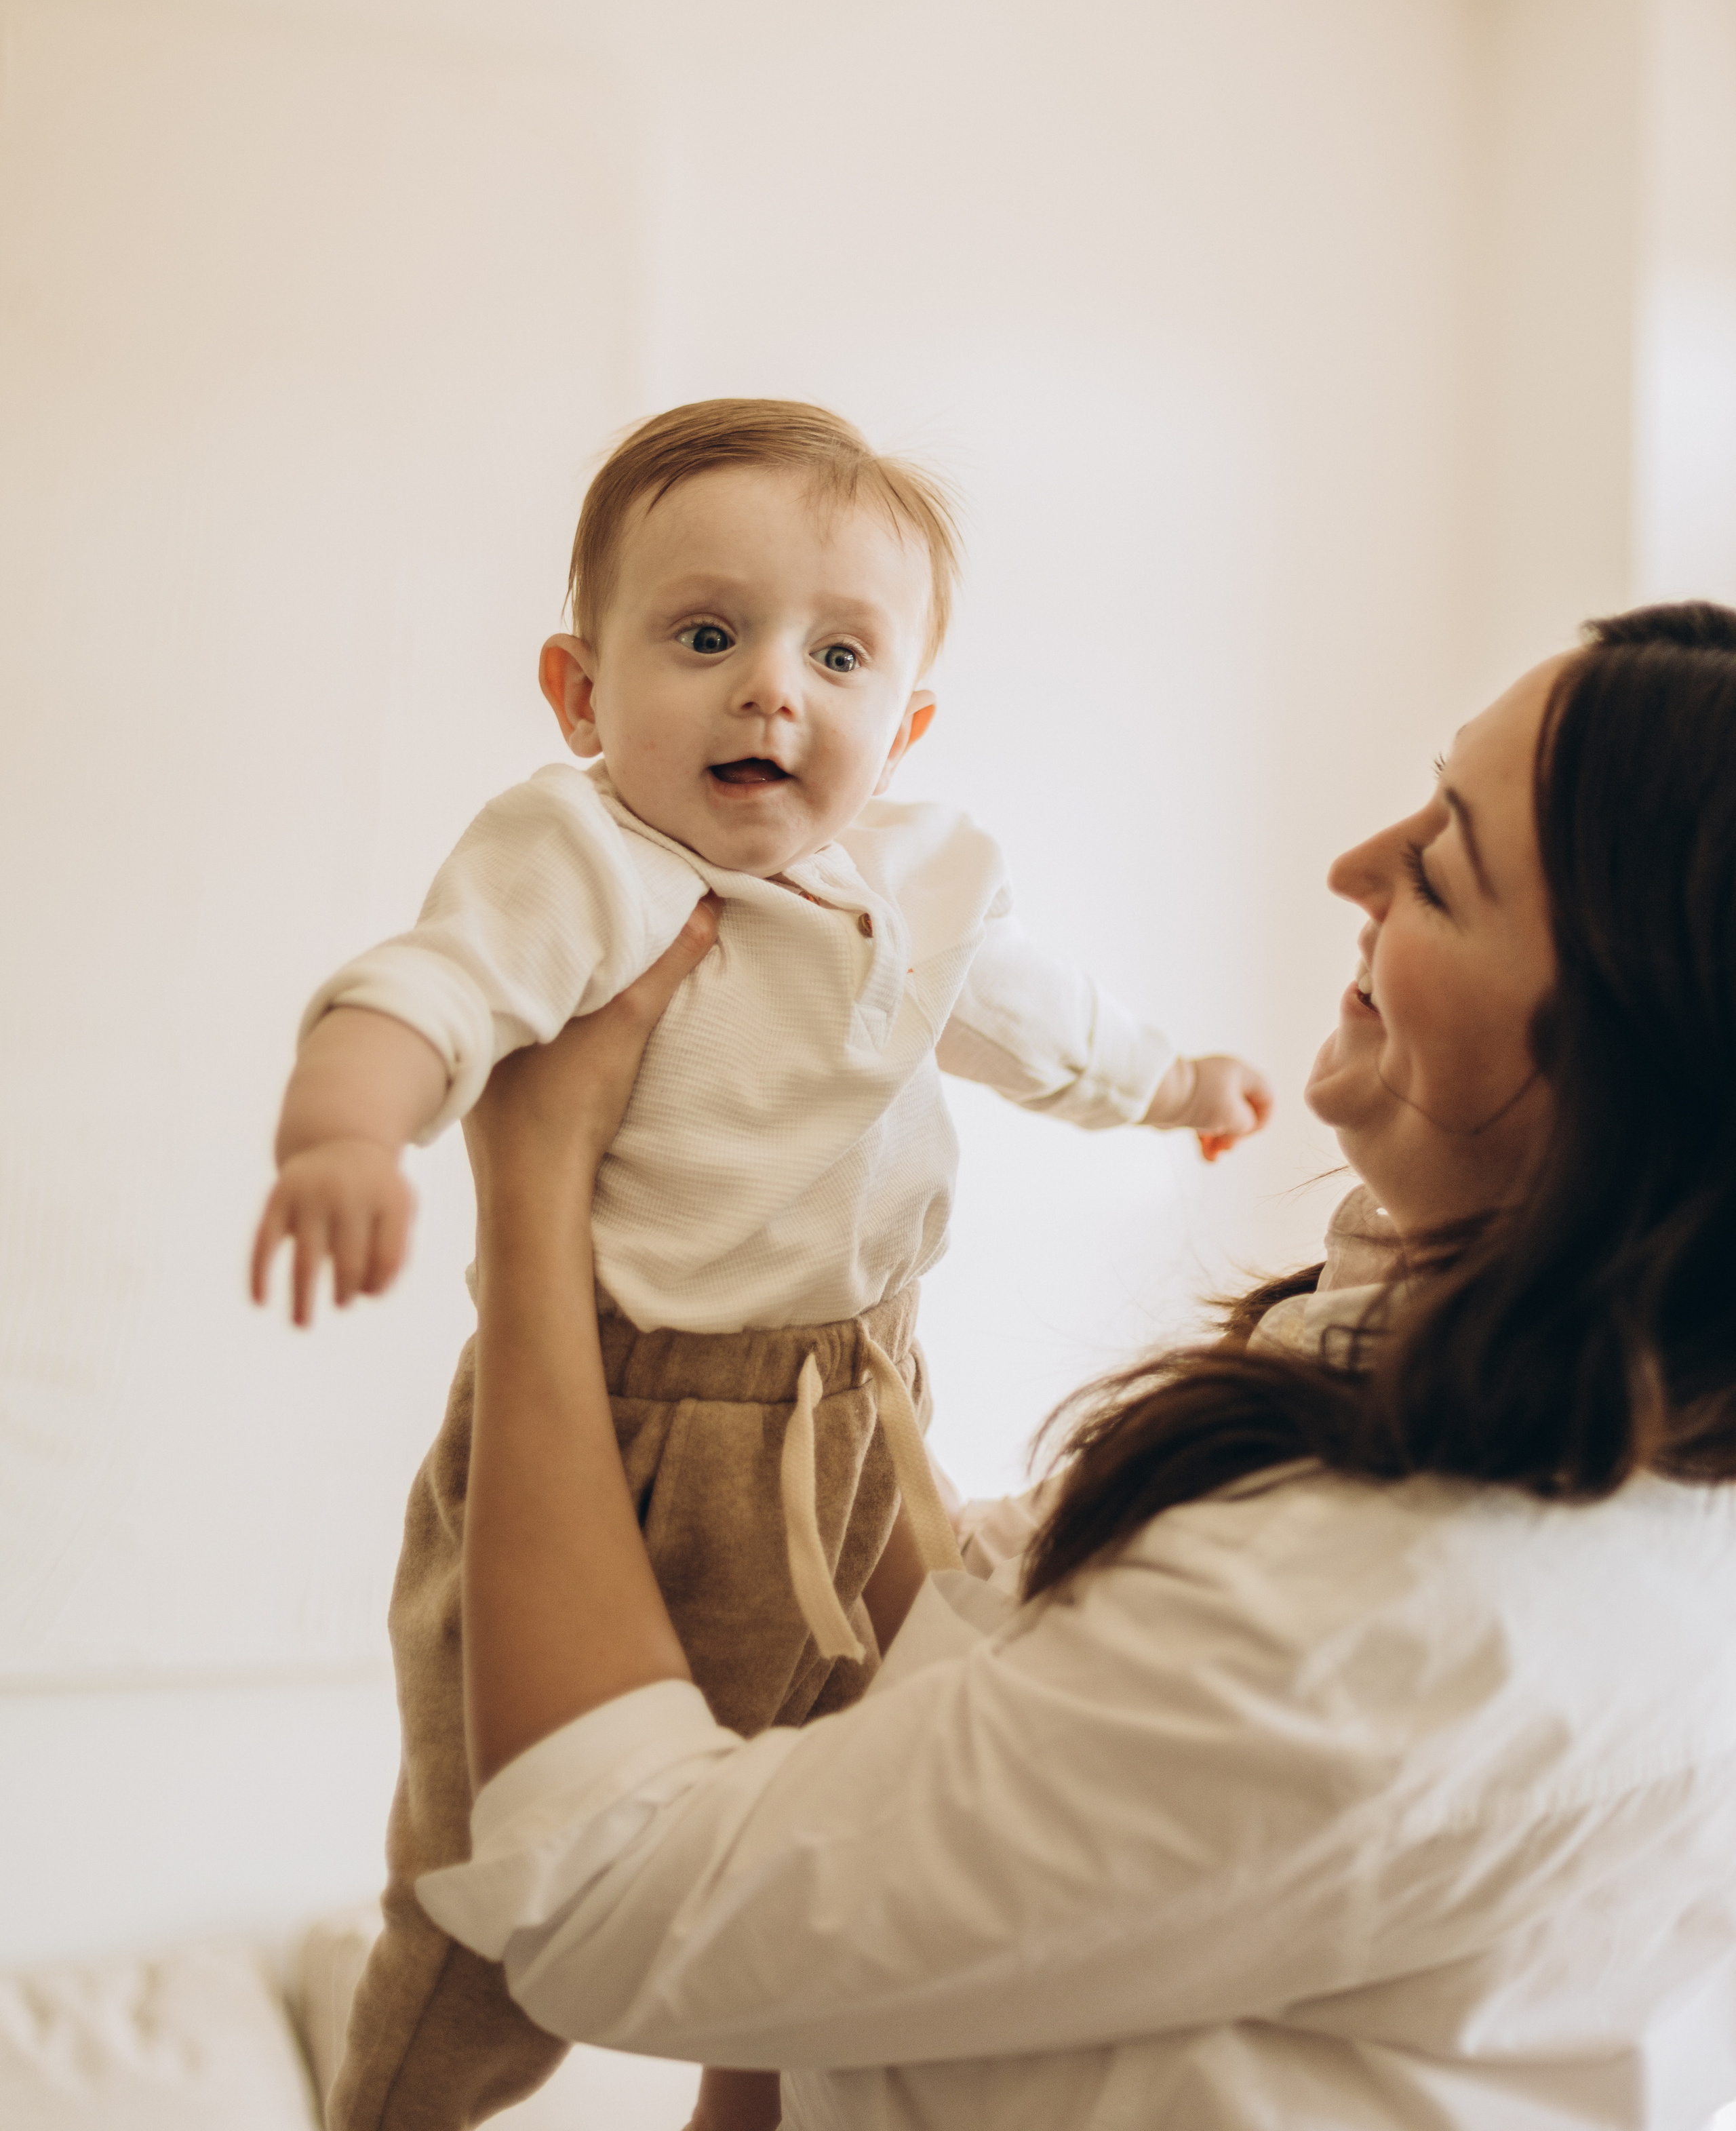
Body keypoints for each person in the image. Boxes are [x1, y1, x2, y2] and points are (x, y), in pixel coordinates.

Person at [420, 602, 1736, 2130]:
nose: (1351, 869)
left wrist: (535, 1193)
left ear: (1620, 1078)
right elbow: (976, 1689)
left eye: (1437, 869)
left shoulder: (1368, 1616)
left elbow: (602, 1901)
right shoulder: (1467, 1394)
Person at [250, 399, 1271, 2131]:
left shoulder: (921, 874)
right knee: (500, 1859)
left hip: (863, 1396)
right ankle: (392, 2106)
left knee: (891, 1773)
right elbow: (420, 993)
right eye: (705, 637)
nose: (770, 690)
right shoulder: (580, 861)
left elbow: (1032, 1021)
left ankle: (773, 2090)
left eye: (838, 655)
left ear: (905, 718)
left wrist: (1170, 1085)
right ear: (581, 694)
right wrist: (343, 1135)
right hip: (629, 1428)